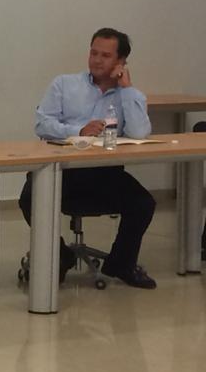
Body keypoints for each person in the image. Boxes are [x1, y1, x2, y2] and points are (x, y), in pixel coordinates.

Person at [18, 28, 157, 289]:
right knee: (29, 199)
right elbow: (42, 124)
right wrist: (79, 131)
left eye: (105, 55)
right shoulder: (64, 84)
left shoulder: (130, 95)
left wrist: (126, 89)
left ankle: (121, 264)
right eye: (94, 53)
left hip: (105, 173)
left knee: (143, 204)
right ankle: (61, 255)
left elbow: (139, 133)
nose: (97, 60)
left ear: (121, 61)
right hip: (62, 170)